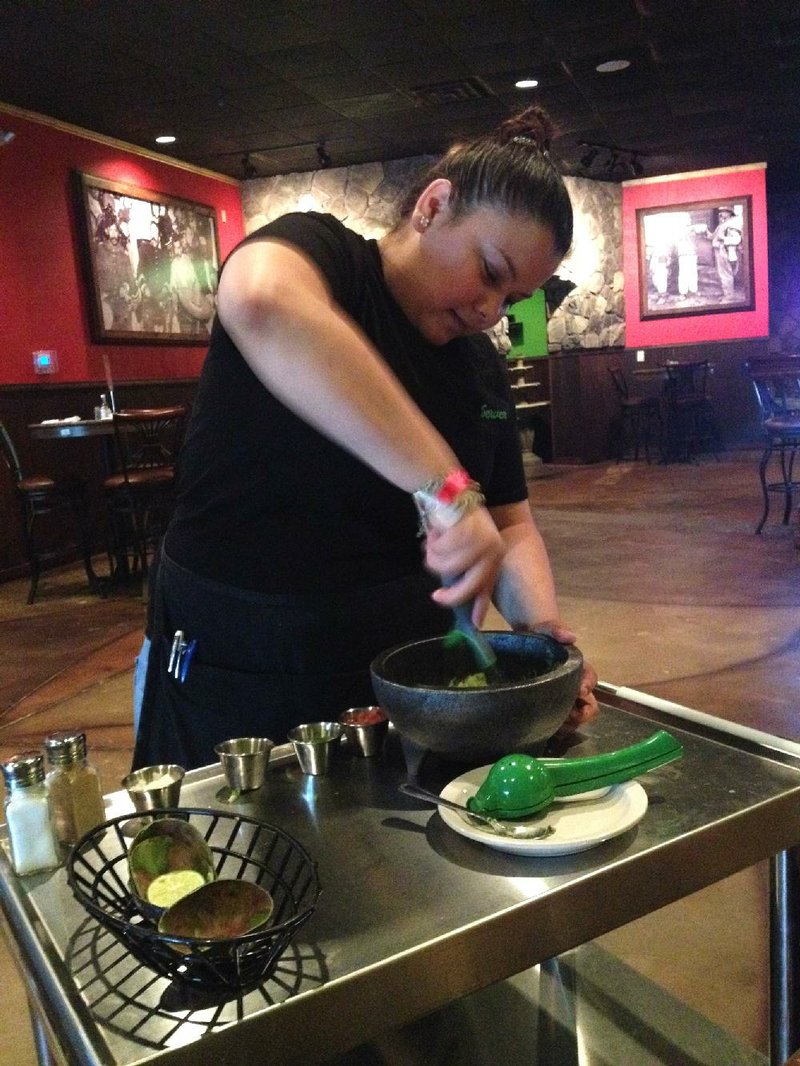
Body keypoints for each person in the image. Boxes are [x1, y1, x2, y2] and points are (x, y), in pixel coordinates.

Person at [132, 106, 599, 772]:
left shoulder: (479, 366)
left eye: (515, 296)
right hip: (240, 657)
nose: (493, 311)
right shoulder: (325, 259)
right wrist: (445, 486)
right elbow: (261, 302)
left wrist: (542, 637)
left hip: (401, 677)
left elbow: (509, 523)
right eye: (491, 273)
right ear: (434, 206)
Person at [708, 205, 742, 301]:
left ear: (730, 212)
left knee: (726, 274)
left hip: (725, 251)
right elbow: (713, 237)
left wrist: (723, 238)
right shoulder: (723, 224)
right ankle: (726, 294)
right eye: (720, 211)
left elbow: (736, 240)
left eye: (724, 211)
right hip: (719, 250)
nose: (721, 213)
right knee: (723, 274)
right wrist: (706, 231)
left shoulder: (732, 224)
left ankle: (729, 297)